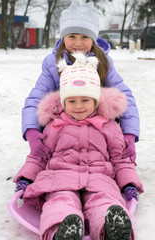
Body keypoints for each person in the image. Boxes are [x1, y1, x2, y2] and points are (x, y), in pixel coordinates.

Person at [14, 53, 144, 240]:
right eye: (72, 101)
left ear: (96, 101)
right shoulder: (54, 126)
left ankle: (110, 226)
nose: (78, 106)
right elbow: (39, 156)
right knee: (60, 201)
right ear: (63, 103)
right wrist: (26, 177)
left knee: (104, 199)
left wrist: (129, 182)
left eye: (85, 100)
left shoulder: (109, 126)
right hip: (60, 178)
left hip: (99, 178)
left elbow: (120, 159)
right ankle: (61, 228)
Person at [22, 0, 139, 163]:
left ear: (93, 39)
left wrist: (129, 134)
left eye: (85, 37)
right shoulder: (53, 63)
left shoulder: (103, 62)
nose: (78, 43)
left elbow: (125, 97)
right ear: (63, 38)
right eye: (72, 36)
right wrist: (32, 130)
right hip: (63, 129)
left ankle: (107, 157)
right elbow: (37, 97)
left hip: (96, 129)